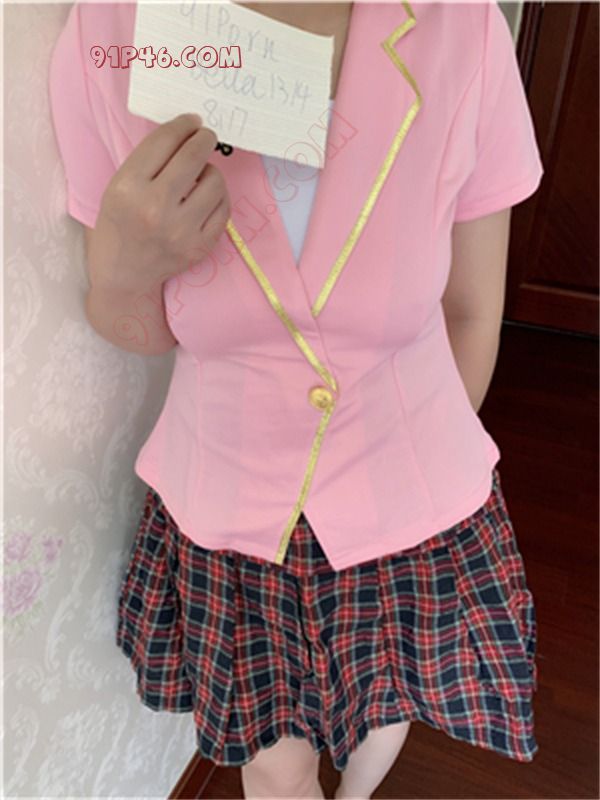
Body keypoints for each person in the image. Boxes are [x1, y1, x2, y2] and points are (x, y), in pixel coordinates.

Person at [48, 1, 544, 798]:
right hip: (230, 512)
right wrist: (125, 267)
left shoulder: (462, 25)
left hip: (406, 493)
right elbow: (139, 328)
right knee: (276, 769)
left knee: (385, 706)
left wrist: (415, 507)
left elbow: (471, 311)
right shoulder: (111, 34)